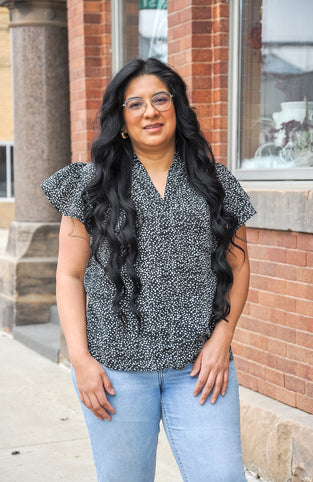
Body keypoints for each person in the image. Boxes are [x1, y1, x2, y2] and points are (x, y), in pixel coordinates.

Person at [41, 57, 256, 482]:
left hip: (199, 369)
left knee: (223, 475)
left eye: (161, 99)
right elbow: (69, 275)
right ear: (121, 120)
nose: (150, 112)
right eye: (135, 104)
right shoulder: (90, 185)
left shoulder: (216, 181)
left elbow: (240, 265)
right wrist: (80, 360)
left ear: (177, 106)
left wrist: (223, 337)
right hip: (115, 371)